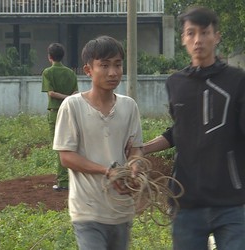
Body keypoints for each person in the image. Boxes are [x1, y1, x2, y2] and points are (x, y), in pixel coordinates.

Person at [143, 6, 245, 250]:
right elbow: (179, 131)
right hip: (186, 201)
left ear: (216, 36)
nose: (198, 40)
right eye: (191, 33)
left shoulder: (237, 80)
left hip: (231, 201)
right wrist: (140, 149)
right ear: (183, 39)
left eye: (204, 32)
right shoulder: (175, 83)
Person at [53, 35, 143, 250]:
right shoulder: (72, 106)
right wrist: (107, 171)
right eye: (104, 65)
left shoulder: (129, 107)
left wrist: (134, 168)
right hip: (87, 210)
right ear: (88, 70)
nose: (113, 72)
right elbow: (66, 157)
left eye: (118, 65)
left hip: (121, 209)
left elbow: (136, 150)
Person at [41, 42, 78, 191]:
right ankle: (72, 178)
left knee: (60, 147)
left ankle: (63, 181)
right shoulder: (71, 72)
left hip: (55, 112)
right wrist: (69, 98)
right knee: (71, 145)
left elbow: (51, 93)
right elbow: (76, 93)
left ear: (49, 57)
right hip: (70, 111)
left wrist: (64, 97)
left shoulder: (47, 73)